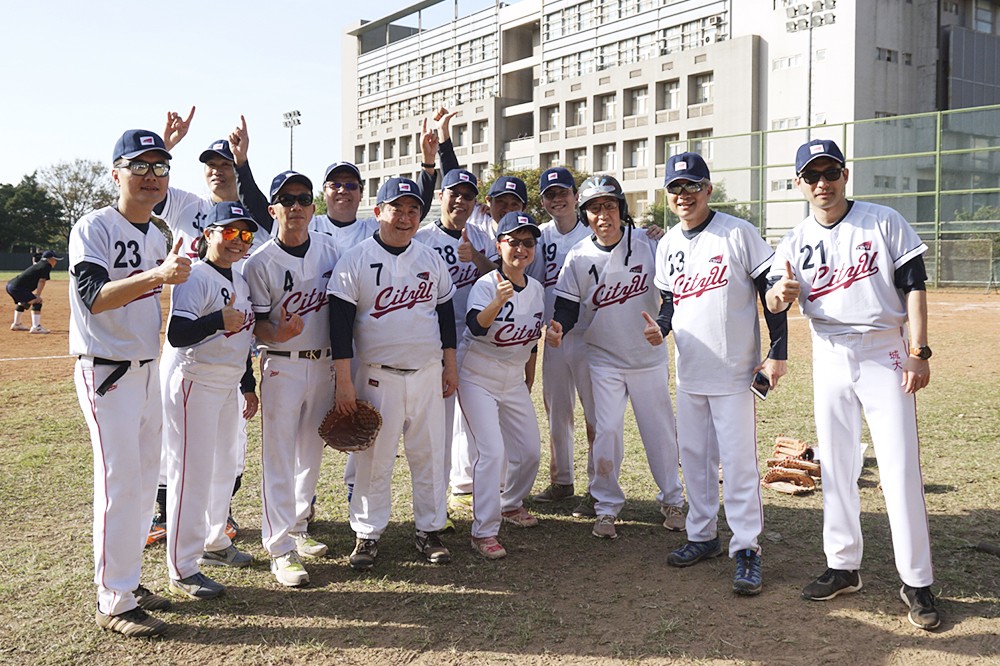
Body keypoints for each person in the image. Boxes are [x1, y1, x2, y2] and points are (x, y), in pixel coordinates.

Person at [766, 138, 940, 630]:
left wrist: (918, 351)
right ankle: (843, 566)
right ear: (800, 183)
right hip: (830, 351)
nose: (823, 183)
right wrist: (779, 296)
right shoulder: (794, 238)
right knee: (837, 464)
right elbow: (776, 302)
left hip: (885, 350)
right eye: (812, 175)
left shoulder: (883, 221)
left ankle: (918, 581)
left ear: (846, 174)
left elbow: (914, 287)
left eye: (831, 172)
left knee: (900, 468)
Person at [70, 129, 191, 637]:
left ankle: (128, 580)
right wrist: (159, 275)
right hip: (107, 371)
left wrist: (162, 268)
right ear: (115, 173)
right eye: (138, 166)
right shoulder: (92, 225)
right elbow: (94, 296)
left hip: (145, 369)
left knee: (145, 485)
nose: (150, 177)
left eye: (160, 168)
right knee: (120, 483)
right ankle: (114, 599)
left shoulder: (159, 233)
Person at [654, 152, 788, 596]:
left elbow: (772, 290)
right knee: (694, 457)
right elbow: (671, 304)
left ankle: (747, 547)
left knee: (739, 464)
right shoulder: (669, 243)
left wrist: (778, 350)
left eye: (691, 186)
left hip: (734, 372)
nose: (683, 195)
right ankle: (703, 535)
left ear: (708, 189)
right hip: (689, 371)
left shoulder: (737, 233)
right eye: (675, 188)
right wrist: (660, 328)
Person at [147, 107, 267, 549]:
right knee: (174, 436)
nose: (217, 171)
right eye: (210, 166)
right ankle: (167, 515)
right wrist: (164, 147)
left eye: (225, 164)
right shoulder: (188, 206)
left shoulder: (254, 219)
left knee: (227, 440)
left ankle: (219, 516)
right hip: (189, 338)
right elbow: (145, 190)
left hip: (234, 344)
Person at [328, 177, 457, 571]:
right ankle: (366, 535)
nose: (405, 217)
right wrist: (344, 380)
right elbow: (339, 325)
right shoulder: (355, 258)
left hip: (426, 373)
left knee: (431, 454)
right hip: (377, 374)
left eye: (412, 210)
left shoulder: (430, 258)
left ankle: (429, 529)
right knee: (373, 458)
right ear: (379, 211)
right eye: (396, 208)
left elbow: (446, 314)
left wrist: (450, 364)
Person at [546, 175, 685, 540]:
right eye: (594, 208)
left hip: (646, 357)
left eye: (609, 205)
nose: (602, 214)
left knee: (660, 433)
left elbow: (670, 296)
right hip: (603, 358)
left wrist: (663, 325)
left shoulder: (649, 243)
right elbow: (567, 304)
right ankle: (606, 506)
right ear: (586, 214)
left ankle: (672, 500)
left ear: (621, 209)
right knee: (605, 431)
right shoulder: (578, 255)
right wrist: (559, 325)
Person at [241, 171, 341, 588]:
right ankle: (279, 547)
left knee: (311, 453)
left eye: (302, 199)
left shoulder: (332, 250)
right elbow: (259, 325)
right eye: (286, 200)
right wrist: (275, 335)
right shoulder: (259, 262)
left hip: (325, 364)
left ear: (313, 208)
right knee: (279, 456)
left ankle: (298, 526)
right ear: (273, 209)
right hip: (282, 364)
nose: (296, 206)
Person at [162, 202, 259, 599]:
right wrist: (218, 320)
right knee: (191, 473)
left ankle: (215, 541)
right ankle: (182, 567)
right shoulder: (195, 276)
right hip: (195, 382)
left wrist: (248, 384)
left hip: (229, 383)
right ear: (208, 235)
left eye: (246, 234)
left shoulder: (241, 278)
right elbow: (178, 334)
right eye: (230, 232)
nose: (238, 241)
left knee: (224, 468)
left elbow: (245, 336)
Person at [460, 212, 545, 559]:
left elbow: (533, 338)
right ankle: (483, 531)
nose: (521, 248)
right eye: (513, 241)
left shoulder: (537, 289)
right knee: (492, 453)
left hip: (512, 377)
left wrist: (530, 372)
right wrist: (497, 301)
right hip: (477, 375)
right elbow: (475, 327)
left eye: (528, 242)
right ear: (499, 245)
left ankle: (510, 504)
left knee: (529, 452)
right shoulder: (486, 283)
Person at [413, 169, 481, 528]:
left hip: (476, 342)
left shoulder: (481, 235)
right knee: (437, 430)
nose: (460, 201)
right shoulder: (422, 240)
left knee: (475, 424)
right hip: (437, 342)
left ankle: (469, 489)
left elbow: (501, 274)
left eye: (468, 196)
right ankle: (435, 508)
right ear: (441, 196)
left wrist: (477, 258)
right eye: (454, 194)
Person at [7, 250, 61, 333]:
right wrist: (38, 295)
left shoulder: (41, 264)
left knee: (23, 302)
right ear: (50, 259)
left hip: (11, 285)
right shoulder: (46, 265)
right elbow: (42, 281)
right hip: (18, 287)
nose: (56, 262)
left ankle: (16, 324)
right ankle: (36, 327)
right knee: (37, 301)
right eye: (55, 259)